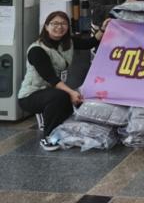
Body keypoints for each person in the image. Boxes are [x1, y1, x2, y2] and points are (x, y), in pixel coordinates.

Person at [18, 11, 109, 151]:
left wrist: (103, 29)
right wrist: (71, 93)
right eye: (55, 23)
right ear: (46, 26)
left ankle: (63, 131)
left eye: (63, 23)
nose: (59, 27)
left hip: (51, 91)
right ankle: (49, 137)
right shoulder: (37, 50)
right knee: (61, 96)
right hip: (31, 95)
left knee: (69, 96)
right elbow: (51, 78)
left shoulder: (67, 42)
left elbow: (90, 43)